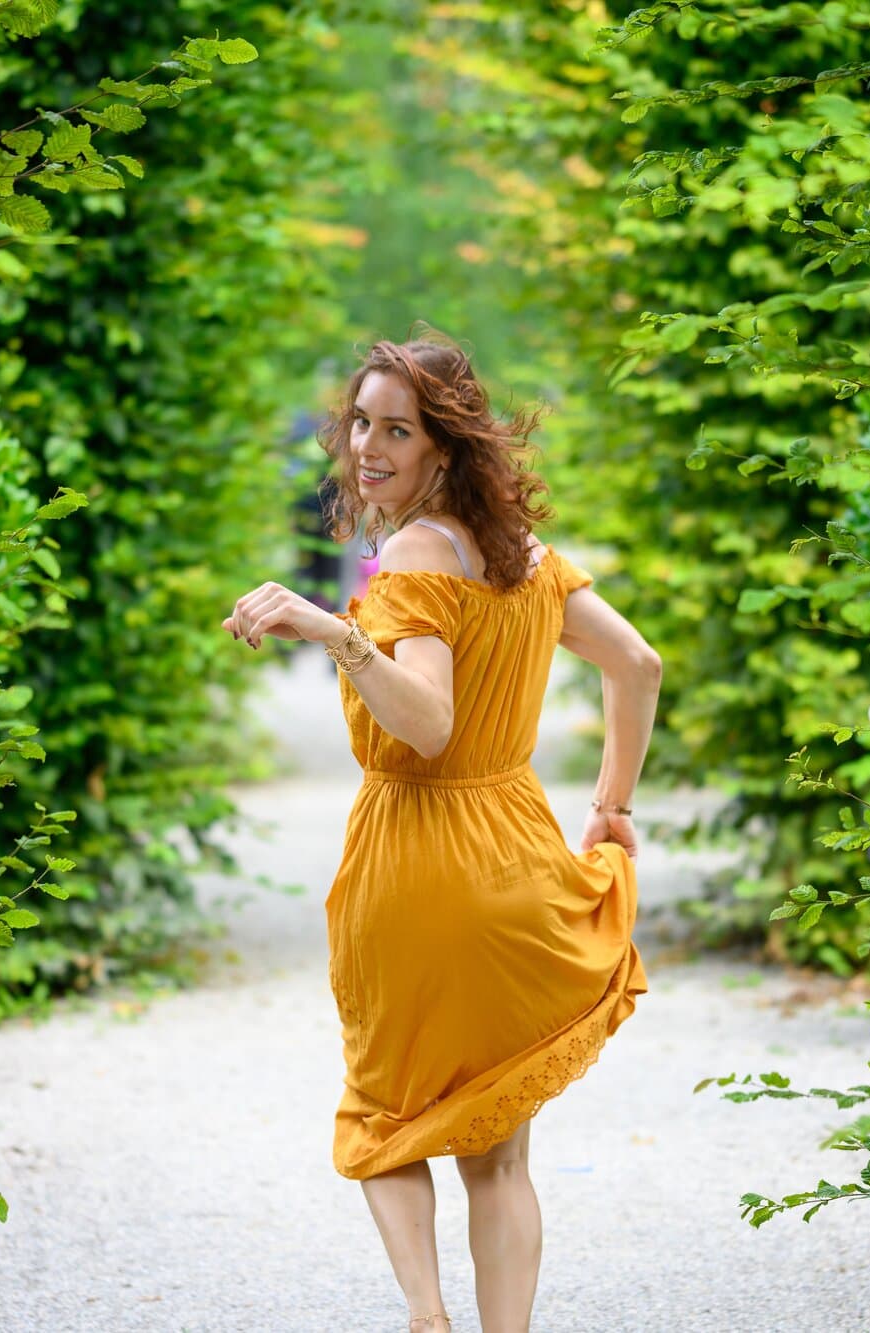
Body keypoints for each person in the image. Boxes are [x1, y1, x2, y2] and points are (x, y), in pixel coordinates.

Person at [219, 328, 662, 1332]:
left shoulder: (414, 555)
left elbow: (425, 722)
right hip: (514, 848)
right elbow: (638, 666)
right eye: (360, 423)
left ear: (444, 448)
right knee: (498, 1152)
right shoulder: (532, 562)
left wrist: (334, 631)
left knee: (385, 1115)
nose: (366, 448)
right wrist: (611, 803)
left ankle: (426, 1318)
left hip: (418, 858)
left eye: (396, 430)